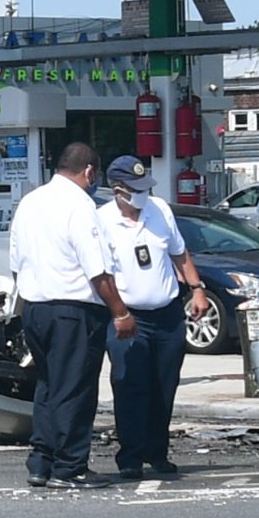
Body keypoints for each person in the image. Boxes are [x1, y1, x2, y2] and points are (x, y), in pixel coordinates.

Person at [7, 142, 131, 487]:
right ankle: (70, 465)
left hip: (36, 307)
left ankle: (41, 461)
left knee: (48, 387)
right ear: (89, 171)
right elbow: (97, 269)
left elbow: (16, 262)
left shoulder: (31, 202)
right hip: (73, 310)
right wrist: (120, 312)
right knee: (75, 389)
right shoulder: (79, 205)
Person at [97, 155, 209, 480]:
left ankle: (156, 452)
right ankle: (130, 456)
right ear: (118, 191)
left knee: (164, 386)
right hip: (128, 316)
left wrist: (197, 288)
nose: (142, 195)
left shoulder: (160, 210)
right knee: (130, 385)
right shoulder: (100, 221)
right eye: (135, 190)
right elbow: (99, 273)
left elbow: (179, 252)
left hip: (167, 314)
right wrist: (118, 313)